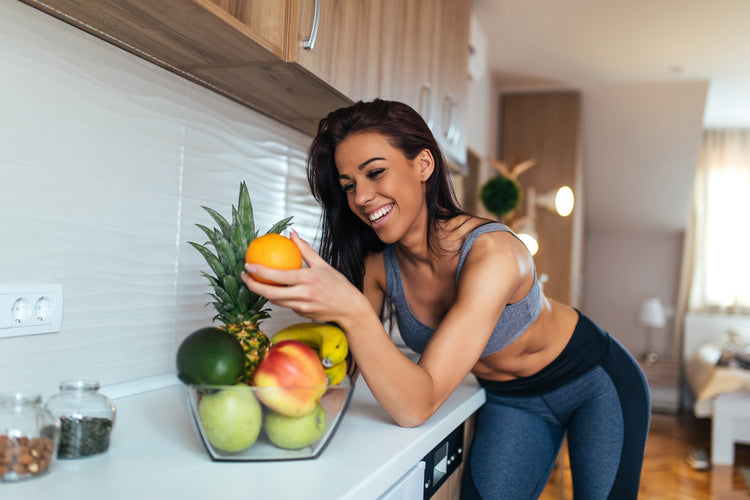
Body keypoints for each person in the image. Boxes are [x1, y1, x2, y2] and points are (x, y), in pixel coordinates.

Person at [241, 99, 650, 499]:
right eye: (349, 185)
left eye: (375, 173)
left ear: (423, 164)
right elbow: (344, 370)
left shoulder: (493, 254)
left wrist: (348, 308)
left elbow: (417, 405)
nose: (362, 197)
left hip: (594, 381)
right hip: (511, 399)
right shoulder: (378, 267)